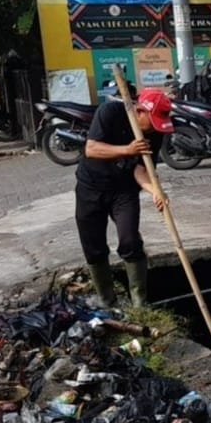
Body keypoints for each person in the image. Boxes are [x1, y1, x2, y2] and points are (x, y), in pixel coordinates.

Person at [74, 88, 174, 308]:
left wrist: (156, 191)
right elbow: (91, 149)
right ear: (139, 111)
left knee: (130, 240)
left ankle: (139, 301)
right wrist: (127, 150)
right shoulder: (109, 112)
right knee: (94, 246)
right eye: (154, 121)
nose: (156, 128)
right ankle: (106, 300)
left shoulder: (155, 133)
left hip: (124, 191)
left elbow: (142, 170)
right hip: (91, 187)